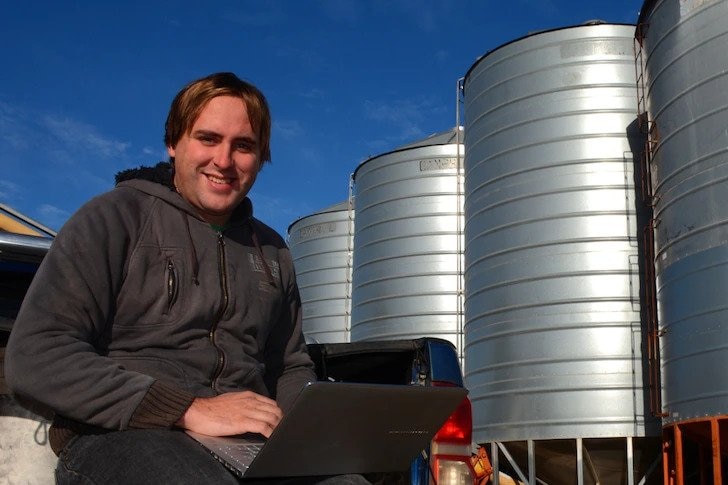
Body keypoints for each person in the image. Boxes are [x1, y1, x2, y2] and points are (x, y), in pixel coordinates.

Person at [5, 72, 369, 485]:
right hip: (122, 435)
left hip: (245, 443)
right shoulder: (113, 218)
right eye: (208, 139)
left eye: (244, 145)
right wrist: (190, 408)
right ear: (174, 143)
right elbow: (35, 354)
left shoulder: (272, 251)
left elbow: (287, 365)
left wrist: (305, 432)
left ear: (262, 156)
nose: (224, 161)